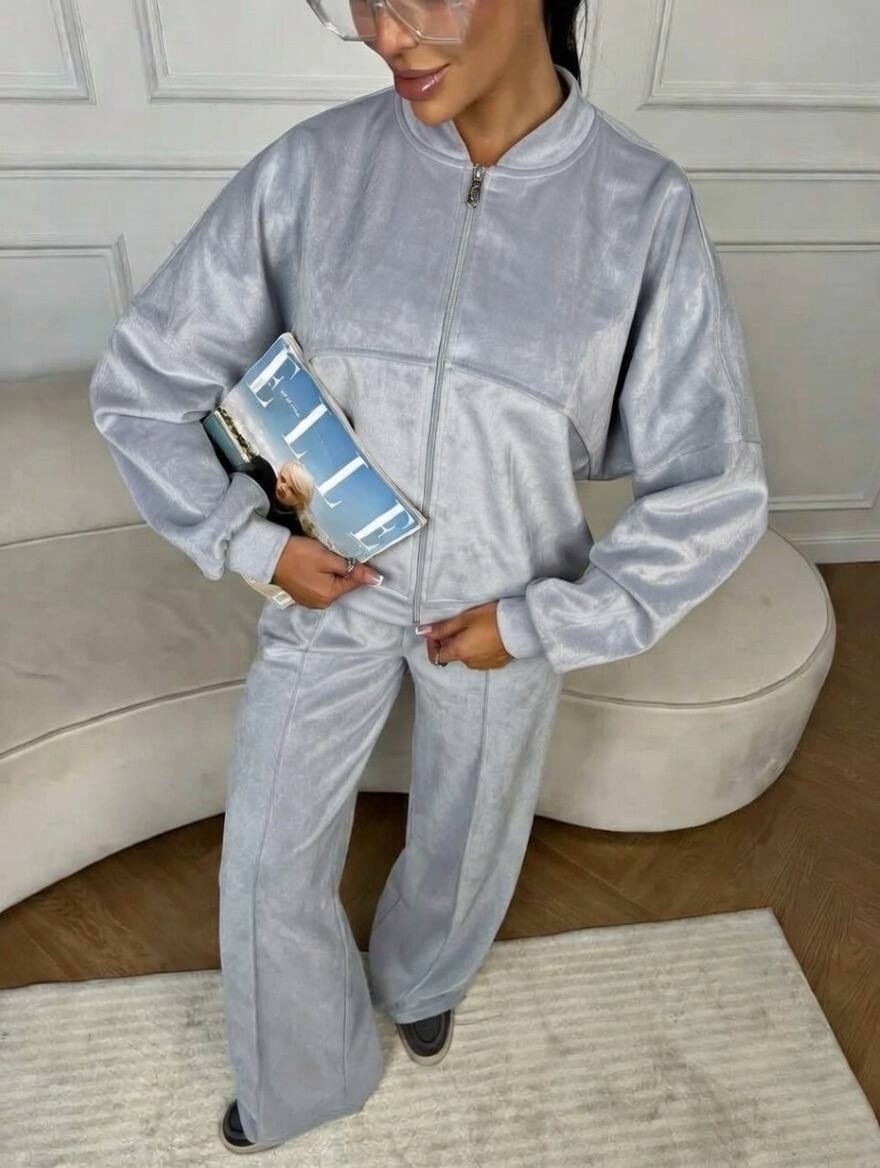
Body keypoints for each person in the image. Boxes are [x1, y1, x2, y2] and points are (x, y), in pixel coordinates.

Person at [88, 0, 769, 1154]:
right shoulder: (314, 173)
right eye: (364, 3)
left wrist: (546, 619)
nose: (386, 34)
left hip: (502, 598)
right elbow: (144, 382)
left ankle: (423, 977)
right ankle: (300, 1074)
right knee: (264, 858)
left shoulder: (637, 208)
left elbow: (715, 481)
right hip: (328, 580)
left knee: (466, 836)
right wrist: (255, 545)